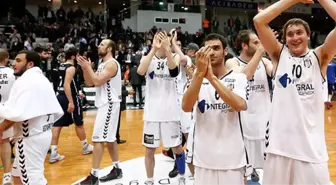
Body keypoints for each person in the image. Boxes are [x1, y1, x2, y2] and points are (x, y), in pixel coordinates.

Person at [253, 0, 336, 183]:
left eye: (299, 32)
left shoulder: (320, 57)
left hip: (311, 149)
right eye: (289, 34)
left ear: (308, 35)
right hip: (279, 149)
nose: (295, 37)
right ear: (284, 39)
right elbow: (259, 21)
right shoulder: (278, 54)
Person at [182, 33, 248, 185]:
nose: (211, 52)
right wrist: (200, 74)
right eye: (207, 49)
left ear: (225, 51)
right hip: (204, 159)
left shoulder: (239, 78)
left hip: (232, 159)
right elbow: (186, 107)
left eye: (216, 48)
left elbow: (239, 105)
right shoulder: (196, 80)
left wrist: (211, 77)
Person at [0, 50, 63, 185]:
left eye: (18, 61)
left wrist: (1, 129)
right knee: (17, 175)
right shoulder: (41, 78)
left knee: (33, 179)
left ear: (30, 64)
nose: (13, 64)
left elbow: (15, 113)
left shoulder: (25, 81)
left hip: (30, 138)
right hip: (42, 133)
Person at [137, 31, 186, 185]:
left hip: (170, 113)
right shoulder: (148, 58)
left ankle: (182, 176)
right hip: (152, 114)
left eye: (164, 39)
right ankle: (150, 180)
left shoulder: (174, 57)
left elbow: (173, 71)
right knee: (149, 150)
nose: (161, 41)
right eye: (159, 38)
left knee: (177, 147)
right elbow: (140, 71)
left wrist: (168, 49)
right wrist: (153, 49)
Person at [225, 29, 273, 180]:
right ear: (244, 45)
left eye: (260, 42)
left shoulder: (265, 62)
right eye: (256, 42)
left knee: (271, 170)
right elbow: (243, 77)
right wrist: (260, 51)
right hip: (243, 127)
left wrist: (277, 53)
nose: (260, 45)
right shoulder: (232, 62)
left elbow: (276, 72)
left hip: (265, 126)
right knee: (242, 174)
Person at [76, 39, 123, 185]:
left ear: (109, 48)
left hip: (109, 104)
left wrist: (88, 68)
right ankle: (117, 169)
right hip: (105, 104)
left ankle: (94, 176)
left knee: (97, 139)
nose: (99, 46)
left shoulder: (111, 64)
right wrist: (85, 69)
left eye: (102, 44)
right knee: (110, 139)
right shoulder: (102, 64)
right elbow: (90, 82)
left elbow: (97, 81)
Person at [49, 48, 93, 164]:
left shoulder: (61, 66)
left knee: (57, 125)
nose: (79, 57)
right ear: (73, 57)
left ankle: (53, 152)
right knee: (79, 123)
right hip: (69, 97)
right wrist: (71, 101)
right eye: (77, 55)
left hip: (59, 96)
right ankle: (85, 146)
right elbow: (66, 85)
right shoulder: (71, 68)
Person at [0, 49, 15, 185]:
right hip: (5, 110)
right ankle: (6, 175)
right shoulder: (12, 74)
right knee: (4, 141)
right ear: (6, 59)